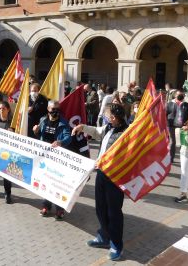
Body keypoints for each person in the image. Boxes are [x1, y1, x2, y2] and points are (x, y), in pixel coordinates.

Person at [72, 103, 128, 262]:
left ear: (114, 117)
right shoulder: (109, 128)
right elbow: (97, 132)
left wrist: (105, 163)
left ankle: (116, 245)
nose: (104, 116)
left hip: (115, 177)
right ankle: (104, 236)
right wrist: (82, 127)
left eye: (106, 114)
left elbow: (125, 157)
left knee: (114, 212)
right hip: (102, 174)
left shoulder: (126, 133)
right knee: (100, 208)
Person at [33, 100, 72, 219]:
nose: (55, 111)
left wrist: (60, 142)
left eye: (57, 109)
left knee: (56, 182)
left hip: (57, 158)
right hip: (44, 156)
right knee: (45, 181)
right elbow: (38, 135)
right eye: (52, 109)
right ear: (48, 109)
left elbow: (68, 137)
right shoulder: (43, 120)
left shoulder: (63, 122)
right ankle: (46, 205)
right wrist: (35, 131)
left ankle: (59, 208)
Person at [167, 90, 188, 163]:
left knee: (182, 142)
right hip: (171, 125)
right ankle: (171, 158)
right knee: (172, 142)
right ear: (175, 96)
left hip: (182, 126)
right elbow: (165, 114)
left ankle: (183, 159)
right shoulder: (169, 104)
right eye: (178, 95)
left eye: (181, 95)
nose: (180, 96)